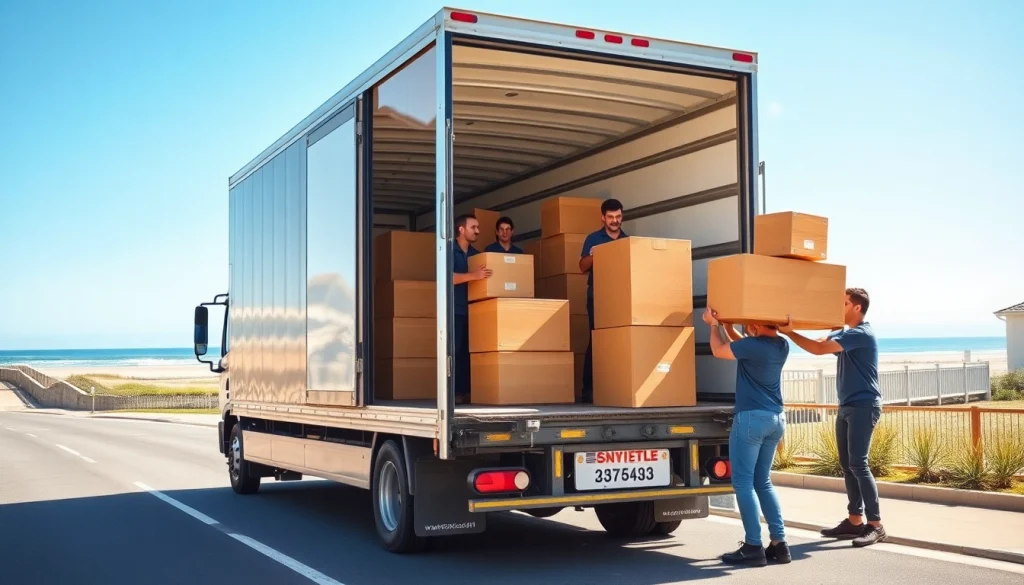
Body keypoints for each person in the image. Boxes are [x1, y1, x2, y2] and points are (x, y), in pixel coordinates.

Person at [779, 287, 886, 547]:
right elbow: (827, 338)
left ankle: (876, 525)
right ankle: (854, 521)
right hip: (847, 405)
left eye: (844, 303)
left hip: (864, 405)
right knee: (847, 464)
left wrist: (789, 331)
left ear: (857, 308)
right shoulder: (846, 334)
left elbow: (817, 348)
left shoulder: (862, 334)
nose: (840, 307)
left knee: (859, 464)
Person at [703, 307, 791, 567]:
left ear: (753, 323)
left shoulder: (753, 346)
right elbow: (743, 346)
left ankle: (753, 545)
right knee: (763, 482)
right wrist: (728, 326)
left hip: (751, 420)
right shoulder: (781, 345)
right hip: (776, 419)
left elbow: (720, 351)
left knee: (743, 483)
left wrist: (712, 325)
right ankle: (779, 543)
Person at [578, 198, 627, 403]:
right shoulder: (593, 239)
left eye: (618, 217)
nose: (614, 221)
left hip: (621, 297)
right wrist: (595, 256)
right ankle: (588, 390)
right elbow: (581, 266)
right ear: (602, 218)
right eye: (610, 217)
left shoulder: (627, 240)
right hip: (598, 297)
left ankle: (617, 386)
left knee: (618, 342)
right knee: (596, 342)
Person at [451, 214, 491, 403]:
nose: (478, 231)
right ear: (461, 229)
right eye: (473, 227)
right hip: (455, 311)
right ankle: (455, 392)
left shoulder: (476, 254)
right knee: (456, 351)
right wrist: (474, 276)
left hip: (474, 311)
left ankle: (469, 391)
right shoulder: (449, 251)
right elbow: (448, 278)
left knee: (470, 352)